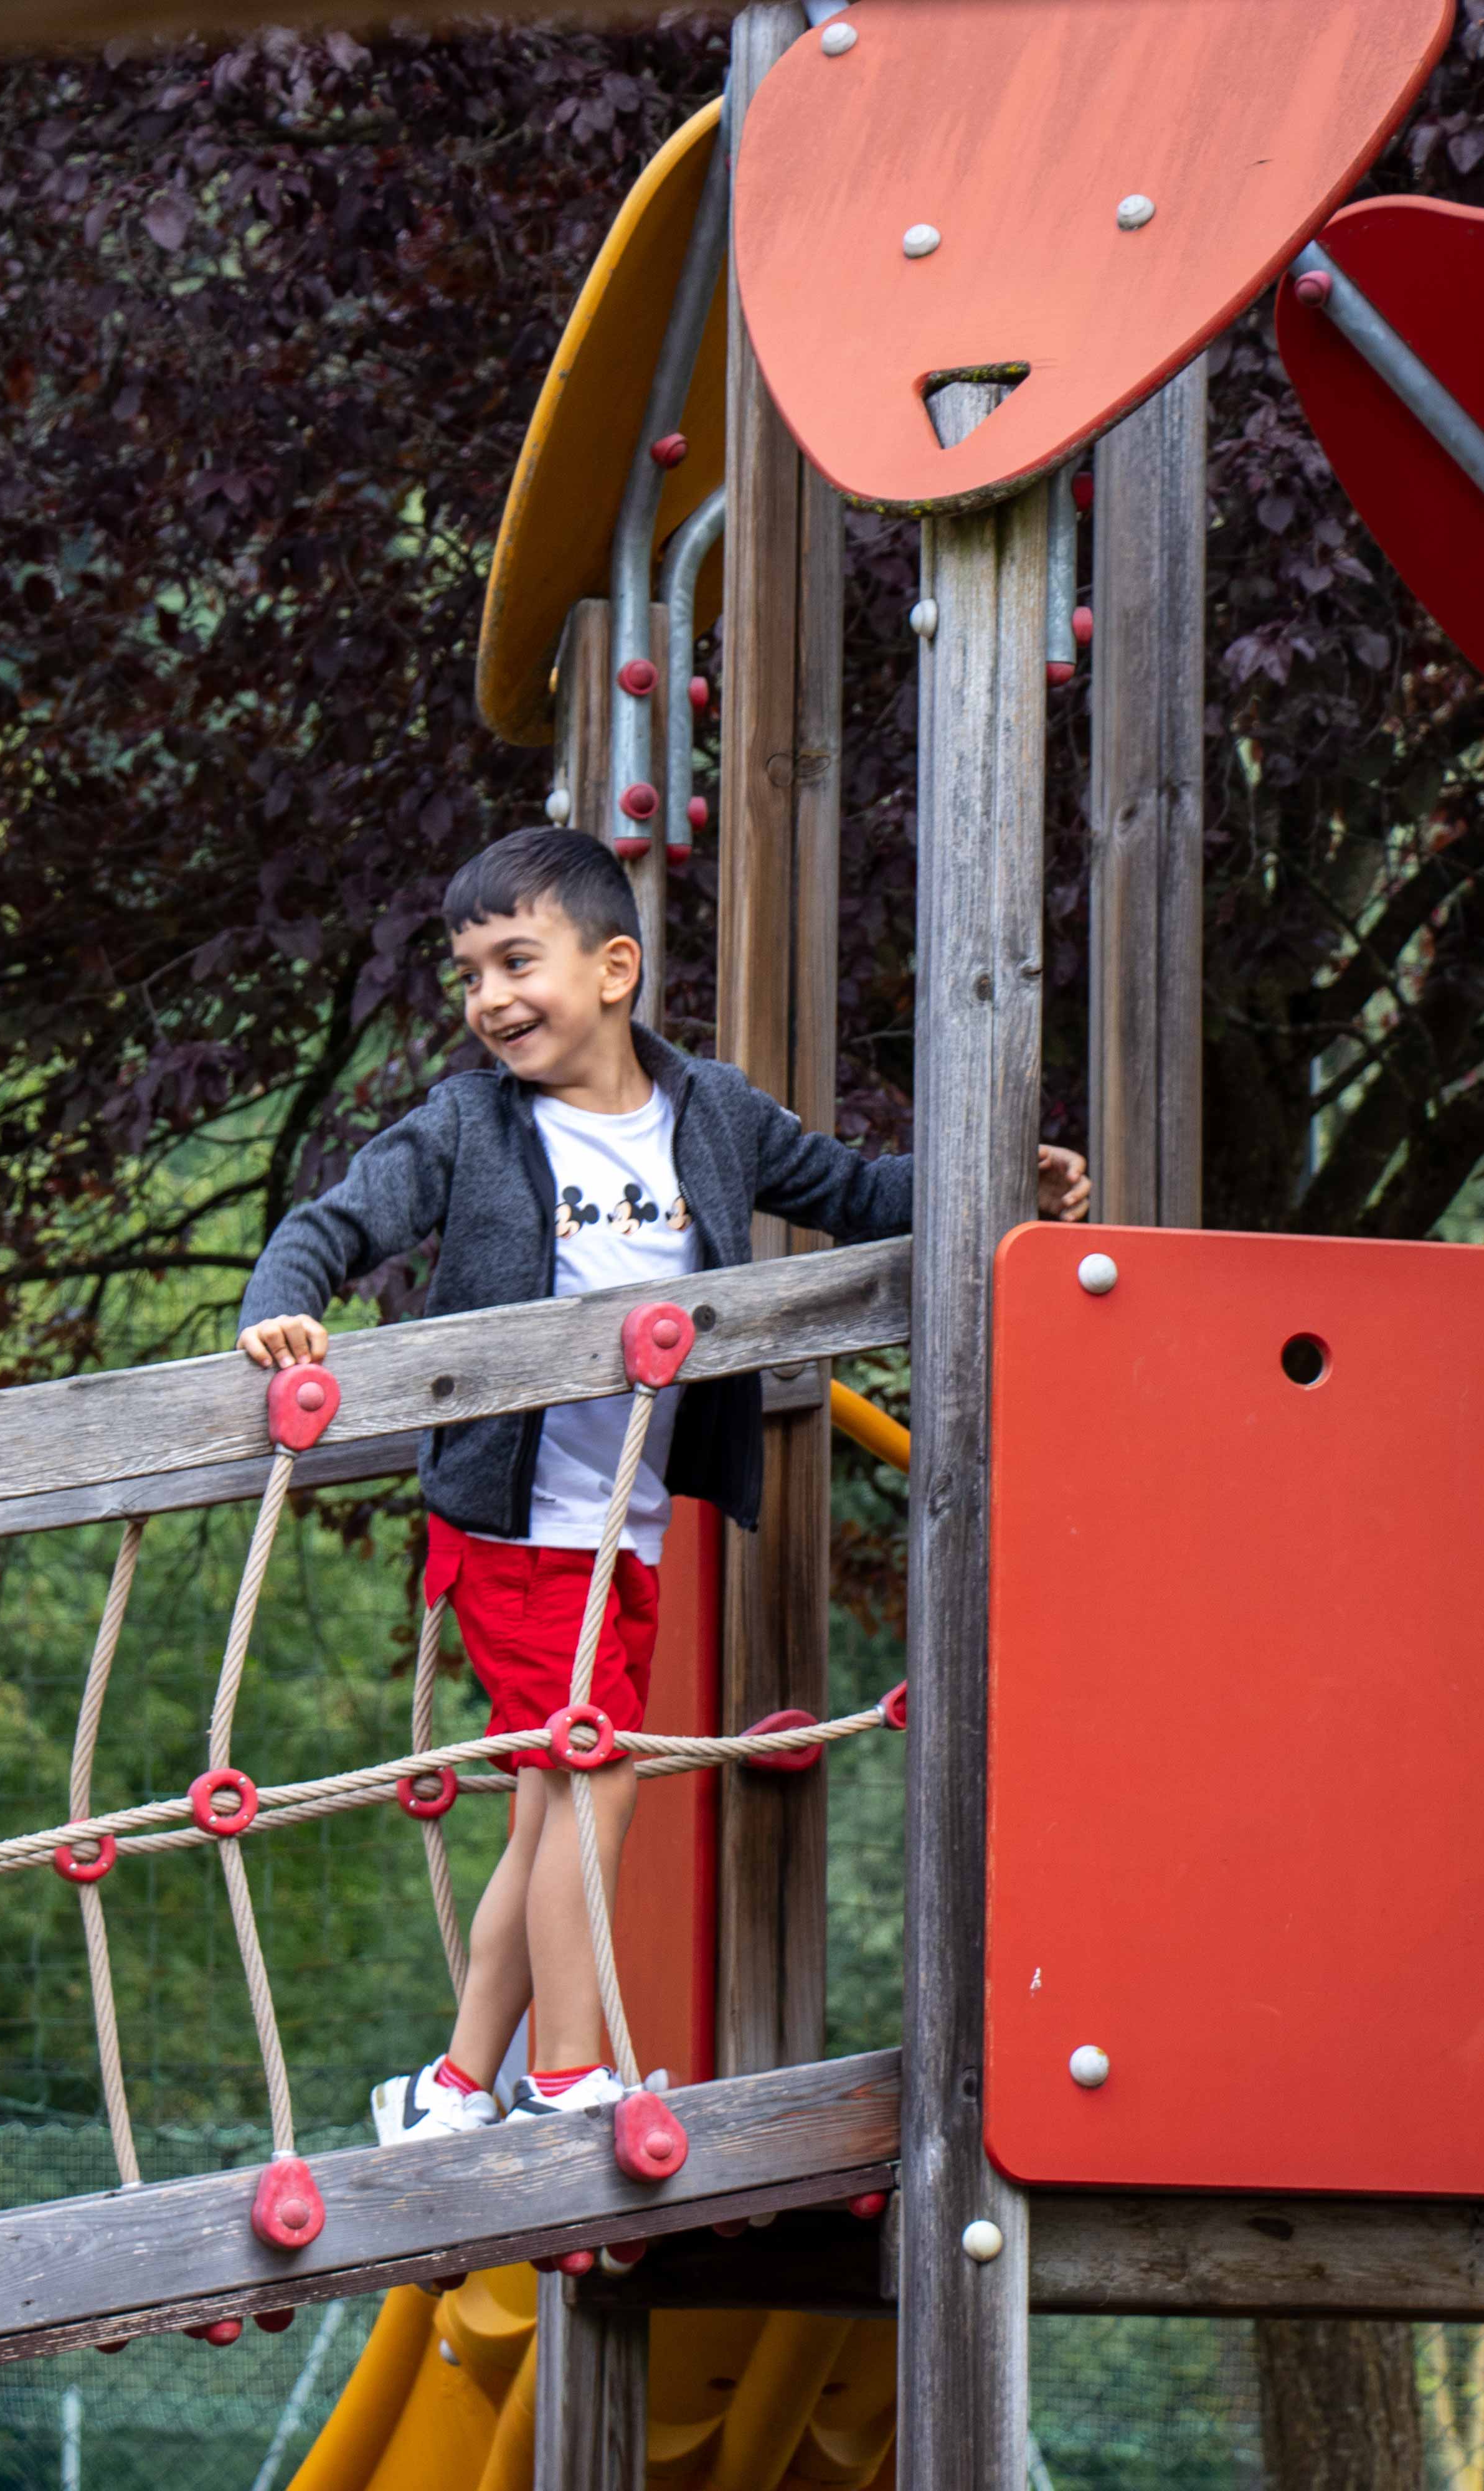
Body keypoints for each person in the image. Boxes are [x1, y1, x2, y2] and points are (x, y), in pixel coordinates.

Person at [234, 825, 1089, 2142]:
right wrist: (284, 1309)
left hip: (623, 1524)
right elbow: (331, 1225)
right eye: (470, 974)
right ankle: (571, 2074)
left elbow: (856, 1190)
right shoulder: (468, 1124)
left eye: (519, 960)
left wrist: (991, 1183)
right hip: (512, 1524)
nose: (491, 998)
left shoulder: (713, 1115)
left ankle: (454, 2087)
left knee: (550, 1801)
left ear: (615, 965)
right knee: (593, 1770)